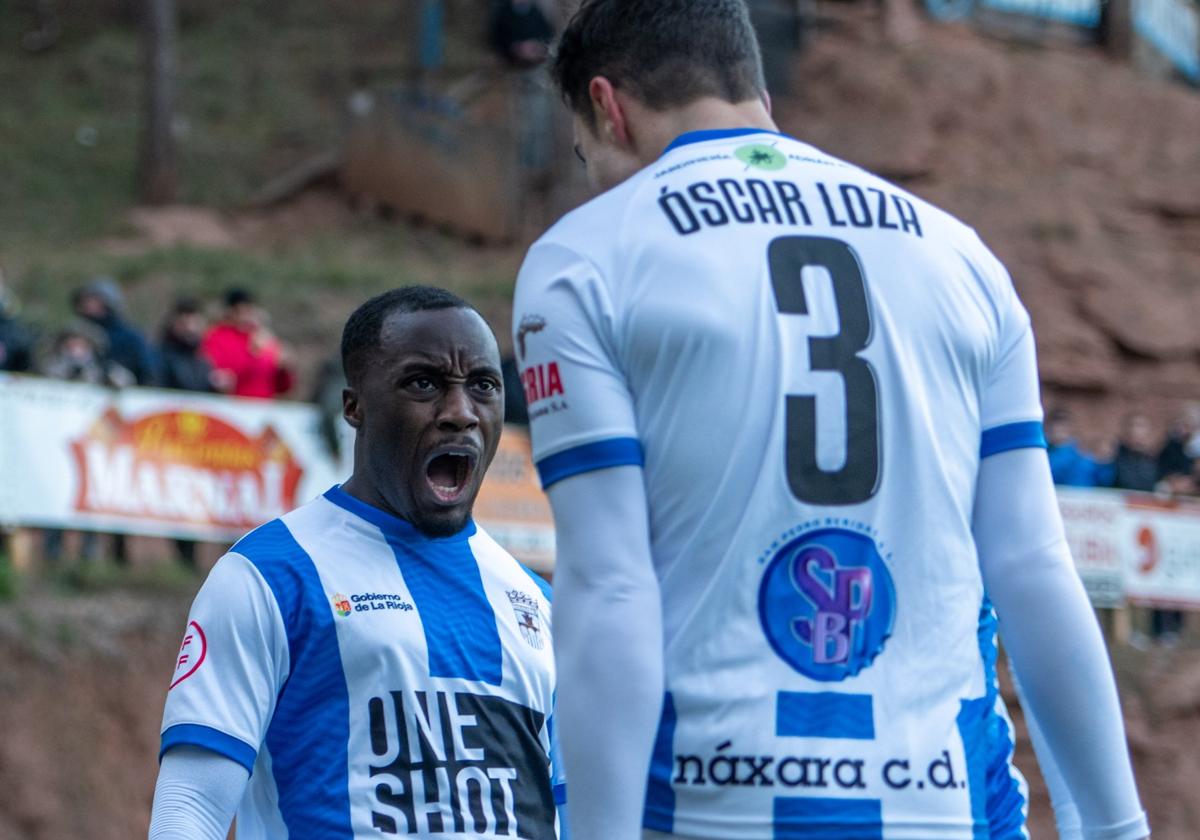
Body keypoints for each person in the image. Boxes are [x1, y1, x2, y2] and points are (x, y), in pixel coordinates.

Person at [511, 2, 1148, 839]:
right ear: (757, 90)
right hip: (946, 804)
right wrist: (1115, 828)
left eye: (585, 151)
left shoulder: (583, 260)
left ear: (608, 107)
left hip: (707, 802)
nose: (593, 172)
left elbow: (610, 585)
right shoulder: (961, 257)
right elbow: (1033, 566)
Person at [149, 286, 566, 839]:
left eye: (483, 386)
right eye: (425, 383)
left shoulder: (537, 602)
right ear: (354, 406)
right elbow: (191, 809)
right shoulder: (270, 575)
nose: (461, 412)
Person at [201, 288, 295, 399]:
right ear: (230, 312)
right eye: (240, 311)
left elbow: (282, 387)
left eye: (249, 310)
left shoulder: (263, 337)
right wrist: (252, 355)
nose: (245, 316)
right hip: (230, 408)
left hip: (262, 409)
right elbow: (221, 379)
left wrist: (284, 369)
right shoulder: (217, 337)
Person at [73, 277, 159, 386]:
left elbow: (148, 371)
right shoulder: (75, 333)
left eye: (93, 300)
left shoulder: (130, 336)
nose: (87, 305)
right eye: (84, 301)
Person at [158, 298, 219, 393]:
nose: (190, 329)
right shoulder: (160, 357)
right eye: (184, 323)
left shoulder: (203, 360)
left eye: (195, 323)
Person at [1045, 406, 1113, 487]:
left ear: (1070, 429)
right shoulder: (1041, 452)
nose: (1058, 431)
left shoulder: (1081, 459)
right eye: (1055, 427)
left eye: (1063, 428)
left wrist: (1106, 462)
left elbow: (1104, 480)